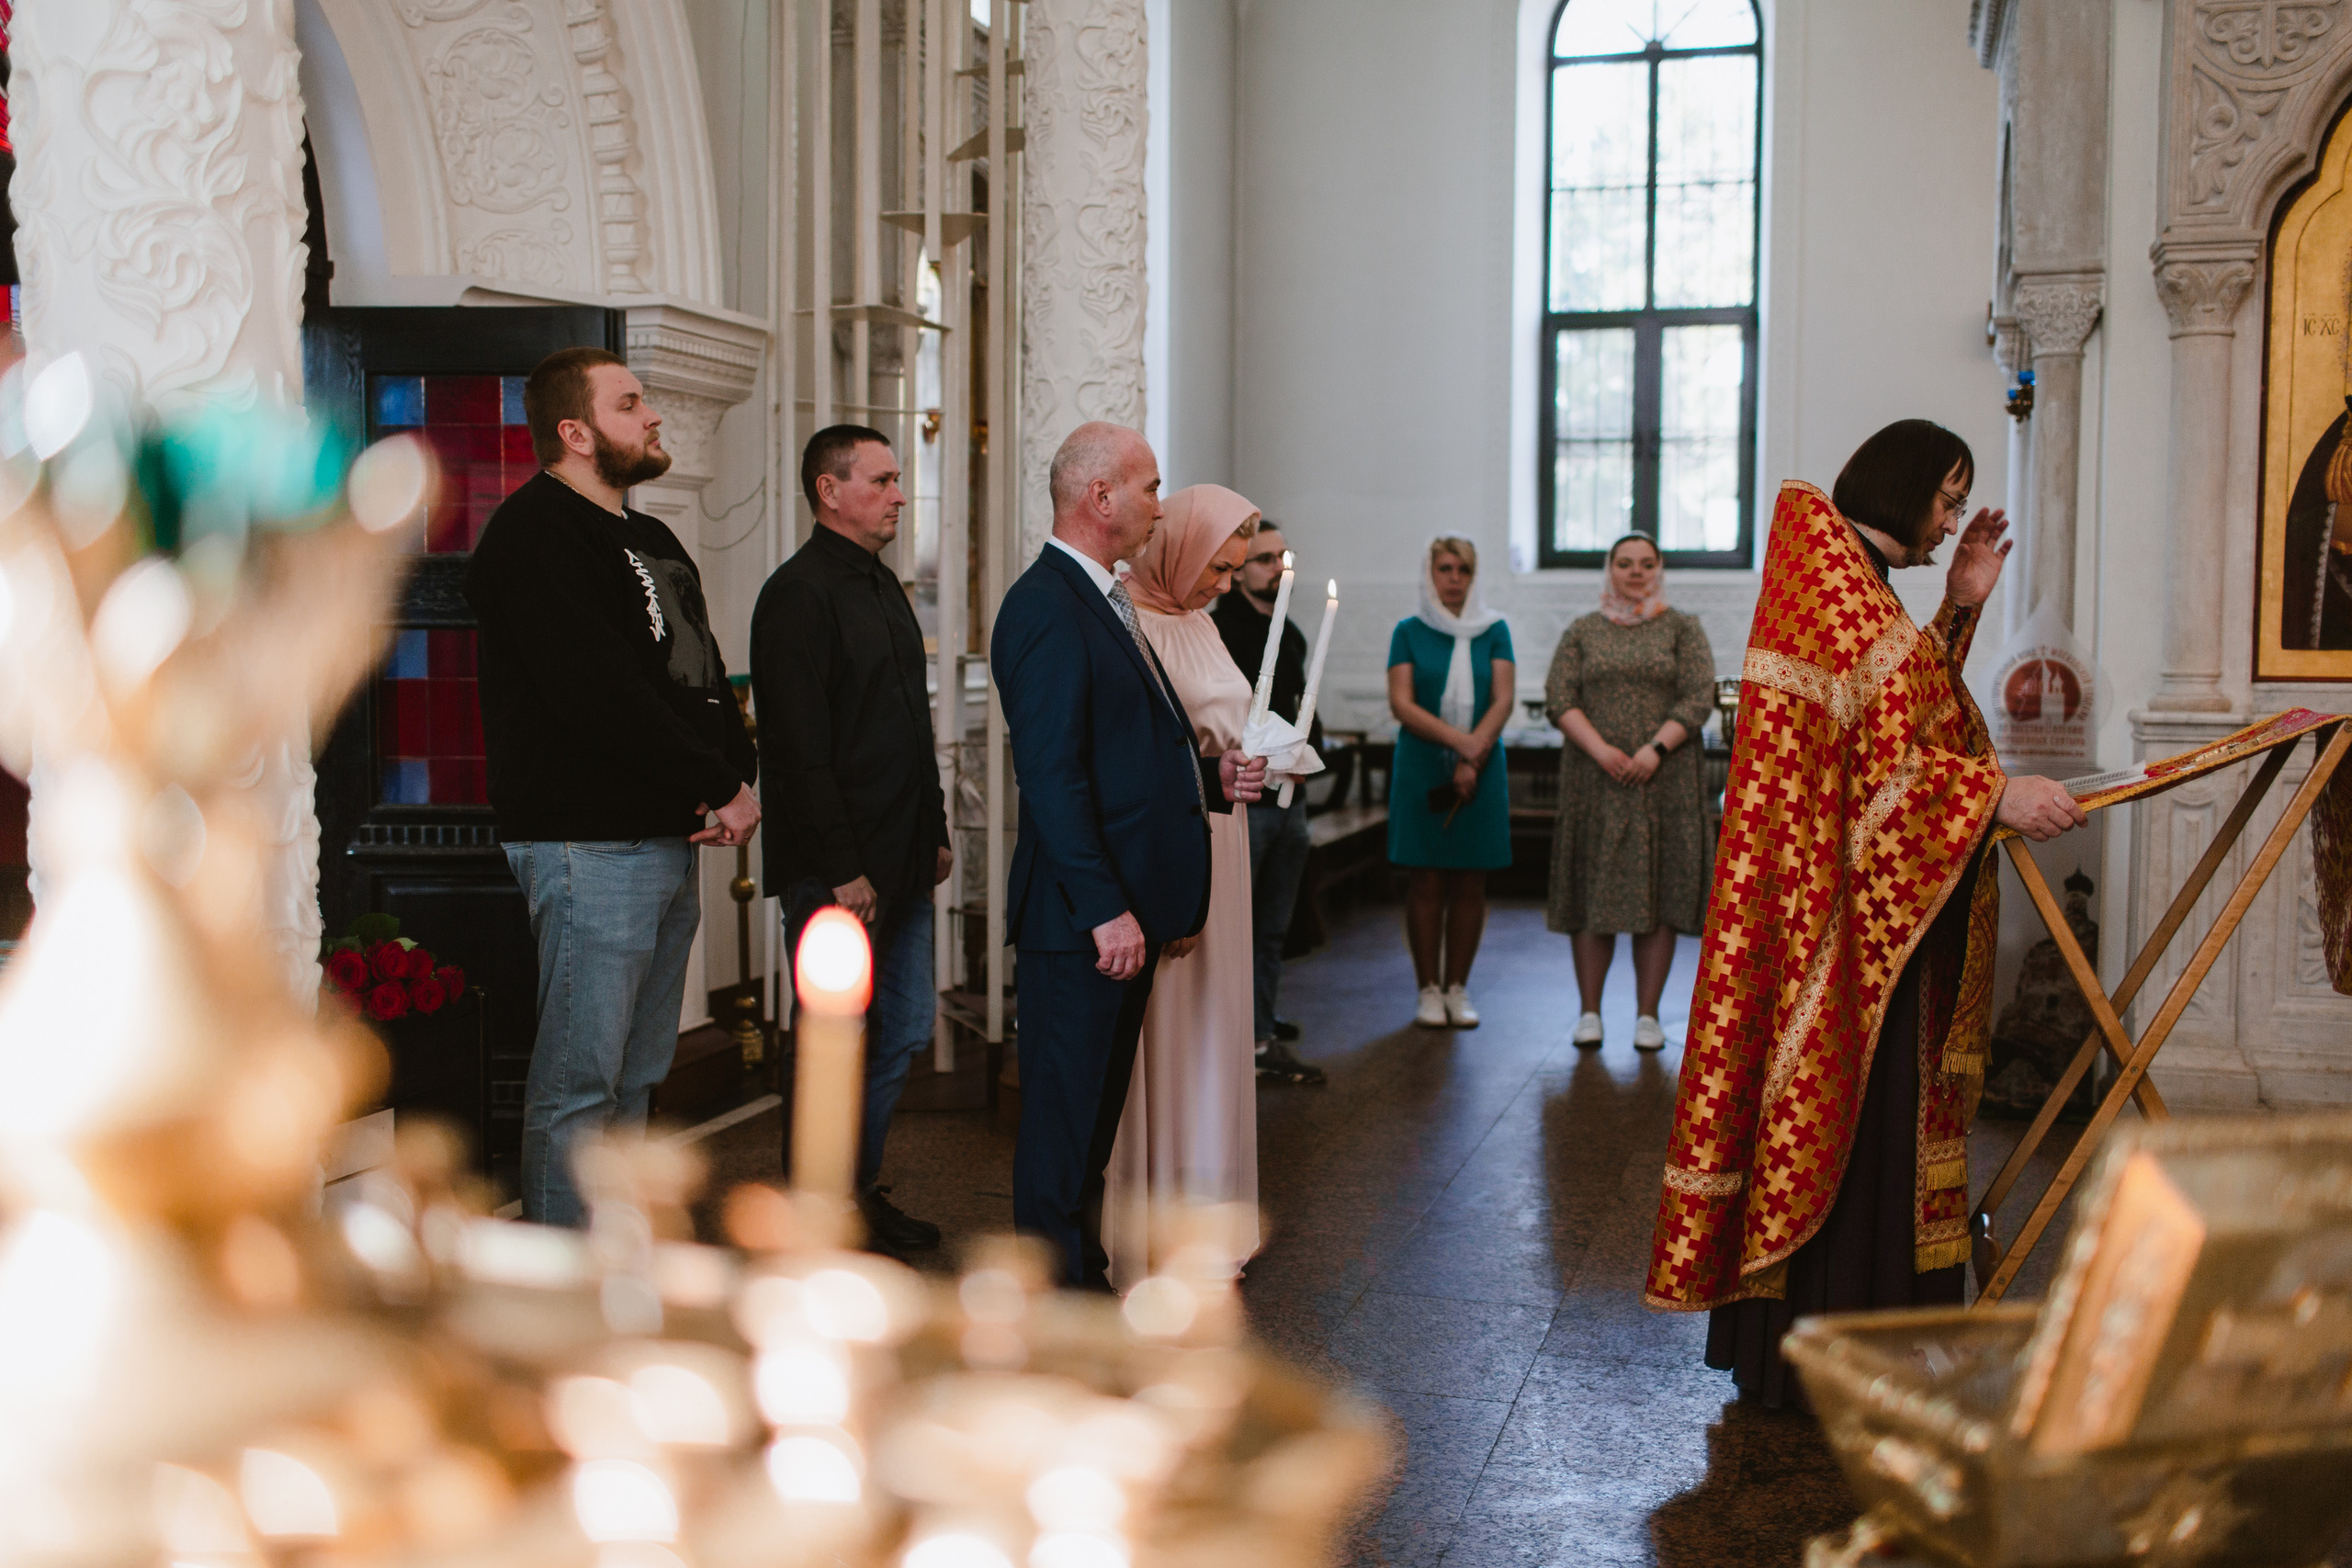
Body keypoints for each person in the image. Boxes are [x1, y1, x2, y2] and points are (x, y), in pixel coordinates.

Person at [1644, 420, 2086, 1408]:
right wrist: (1994, 797)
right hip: (1829, 927)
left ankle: (1873, 1336)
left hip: (1876, 915)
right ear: (1899, 488)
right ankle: (1826, 1349)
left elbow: (1907, 713)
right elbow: (1881, 768)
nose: (1949, 522)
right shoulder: (1832, 578)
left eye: (1958, 505)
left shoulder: (1858, 581)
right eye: (1944, 499)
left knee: (1884, 1124)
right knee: (1851, 1119)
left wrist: (1958, 611)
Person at [467, 346, 760, 1227]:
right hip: (588, 841)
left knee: (636, 1073)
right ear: (575, 431)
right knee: (579, 1079)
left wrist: (734, 775)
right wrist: (718, 782)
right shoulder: (535, 533)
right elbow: (601, 695)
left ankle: (613, 1252)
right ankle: (560, 1291)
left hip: (666, 834)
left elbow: (700, 677)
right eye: (630, 404)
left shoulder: (654, 537)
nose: (653, 416)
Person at [991, 423, 1268, 1290]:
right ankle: (1049, 1298)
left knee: (1093, 1117)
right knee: (1062, 1123)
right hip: (1081, 918)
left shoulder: (1103, 597)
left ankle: (1081, 1274)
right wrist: (1103, 905)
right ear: (1099, 497)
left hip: (1125, 909)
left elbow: (1135, 747)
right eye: (1149, 486)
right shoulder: (1044, 604)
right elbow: (1052, 775)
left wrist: (1215, 776)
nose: (1160, 501)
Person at [750, 424, 953, 1258]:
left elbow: (911, 724)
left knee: (901, 1032)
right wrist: (842, 868)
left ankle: (853, 1192)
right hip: (839, 871)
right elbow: (798, 745)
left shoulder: (881, 585)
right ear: (830, 491)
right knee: (833, 1044)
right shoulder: (797, 594)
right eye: (883, 480)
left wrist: (934, 830)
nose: (900, 494)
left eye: (899, 480)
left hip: (900, 857)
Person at [1544, 533, 1717, 1052]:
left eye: (1646, 564)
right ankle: (1589, 1012)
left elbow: (1698, 695)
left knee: (1658, 889)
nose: (1635, 572)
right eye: (1625, 563)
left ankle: (1648, 1015)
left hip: (1663, 780)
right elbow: (1559, 697)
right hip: (1595, 780)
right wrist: (1601, 750)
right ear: (1609, 569)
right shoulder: (1582, 630)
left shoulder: (1683, 627)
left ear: (1659, 568)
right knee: (1593, 887)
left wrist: (1653, 751)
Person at [1211, 521, 1326, 1085]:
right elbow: (1230, 721)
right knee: (1239, 922)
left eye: (1282, 556)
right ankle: (1235, 1032)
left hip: (1292, 799)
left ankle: (1260, 1024)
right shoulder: (1221, 630)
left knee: (1274, 925)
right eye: (1262, 559)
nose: (1276, 567)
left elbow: (1304, 705)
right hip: (1247, 798)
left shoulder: (1296, 635)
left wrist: (1307, 755)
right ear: (1236, 570)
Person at [1386, 536, 1515, 1029]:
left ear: (1474, 575)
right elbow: (1402, 702)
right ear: (1430, 573)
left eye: (1463, 569)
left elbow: (1501, 699)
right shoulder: (1409, 630)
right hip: (1422, 763)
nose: (1454, 578)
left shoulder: (1494, 629)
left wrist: (1473, 752)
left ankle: (1459, 987)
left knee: (1470, 879)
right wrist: (1460, 745)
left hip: (1482, 765)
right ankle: (1427, 990)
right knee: (1425, 878)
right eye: (1444, 568)